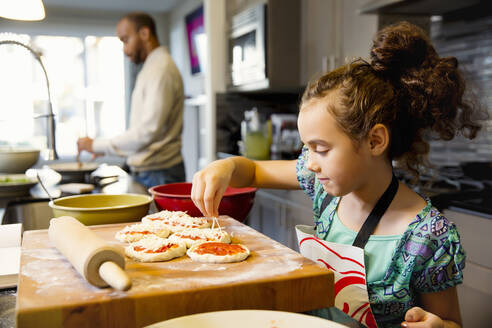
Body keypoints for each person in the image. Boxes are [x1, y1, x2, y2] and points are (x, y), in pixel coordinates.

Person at [191, 22, 483, 328]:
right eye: (308, 148)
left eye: (321, 149)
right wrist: (226, 166)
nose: (311, 164)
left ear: (374, 141)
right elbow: (252, 170)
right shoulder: (324, 187)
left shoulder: (427, 238)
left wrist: (438, 325)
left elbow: (452, 323)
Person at [77, 12, 185, 188]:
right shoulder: (152, 67)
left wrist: (96, 145)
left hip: (159, 174)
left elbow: (147, 132)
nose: (125, 49)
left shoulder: (161, 69)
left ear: (144, 33)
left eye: (126, 40)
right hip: (152, 172)